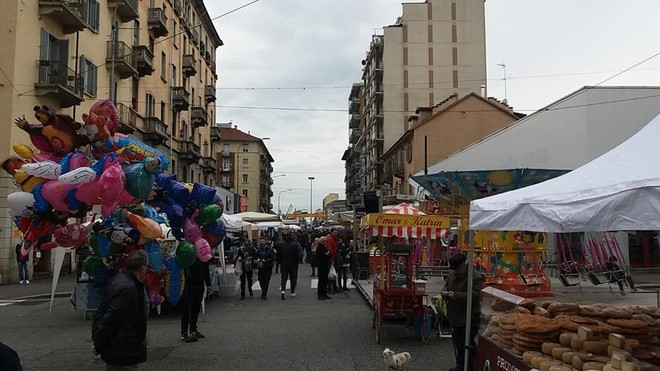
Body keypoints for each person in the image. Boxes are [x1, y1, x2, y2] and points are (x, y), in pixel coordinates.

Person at [92, 250, 149, 370]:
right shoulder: (128, 287)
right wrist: (99, 344)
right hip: (123, 347)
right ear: (142, 268)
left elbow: (102, 310)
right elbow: (110, 319)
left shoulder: (118, 279)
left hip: (120, 345)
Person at [442, 253, 483, 371]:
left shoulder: (475, 277)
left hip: (469, 316)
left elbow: (475, 296)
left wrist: (455, 295)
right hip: (455, 315)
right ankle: (461, 365)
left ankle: (471, 366)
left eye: (457, 268)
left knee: (467, 343)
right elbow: (446, 286)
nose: (455, 271)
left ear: (464, 265)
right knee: (459, 342)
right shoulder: (452, 275)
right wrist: (444, 292)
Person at [180, 258, 211, 342]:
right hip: (189, 282)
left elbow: (206, 268)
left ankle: (193, 329)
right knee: (187, 308)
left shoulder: (202, 252)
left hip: (199, 283)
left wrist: (208, 283)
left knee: (196, 307)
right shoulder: (189, 250)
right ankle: (184, 332)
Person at [278, 232, 302, 300]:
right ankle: (292, 292)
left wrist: (280, 262)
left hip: (284, 263)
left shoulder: (282, 245)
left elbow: (279, 255)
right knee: (293, 278)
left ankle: (283, 291)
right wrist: (297, 262)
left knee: (283, 278)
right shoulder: (295, 245)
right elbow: (297, 255)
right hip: (293, 263)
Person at [326, 228, 340, 294]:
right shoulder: (330, 239)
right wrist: (332, 259)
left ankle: (334, 287)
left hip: (333, 257)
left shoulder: (332, 239)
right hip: (331, 258)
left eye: (336, 232)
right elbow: (330, 250)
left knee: (333, 273)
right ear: (331, 232)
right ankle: (330, 287)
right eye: (335, 232)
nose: (336, 233)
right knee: (331, 273)